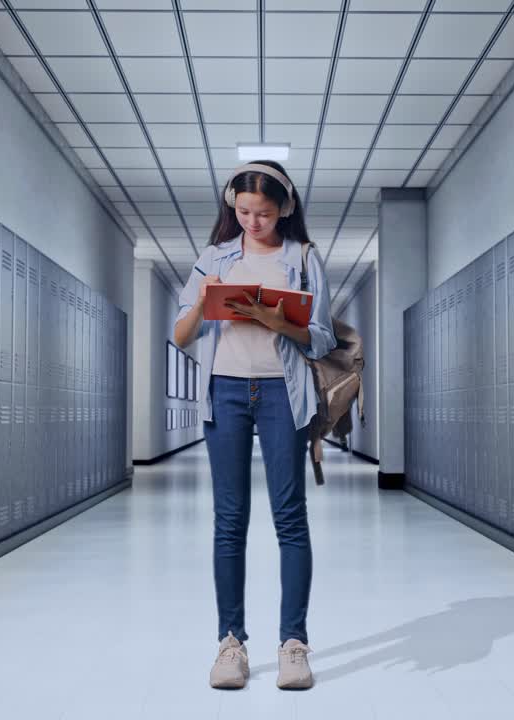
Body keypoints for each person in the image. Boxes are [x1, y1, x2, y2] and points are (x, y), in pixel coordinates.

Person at [173, 161, 336, 690]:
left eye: (263, 213)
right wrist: (203, 301)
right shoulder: (213, 258)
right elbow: (181, 336)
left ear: (284, 208)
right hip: (225, 390)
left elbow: (323, 338)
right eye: (242, 211)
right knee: (230, 519)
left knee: (289, 516)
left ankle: (293, 645)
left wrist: (278, 322)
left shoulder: (304, 259)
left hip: (280, 393)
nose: (252, 221)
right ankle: (230, 644)